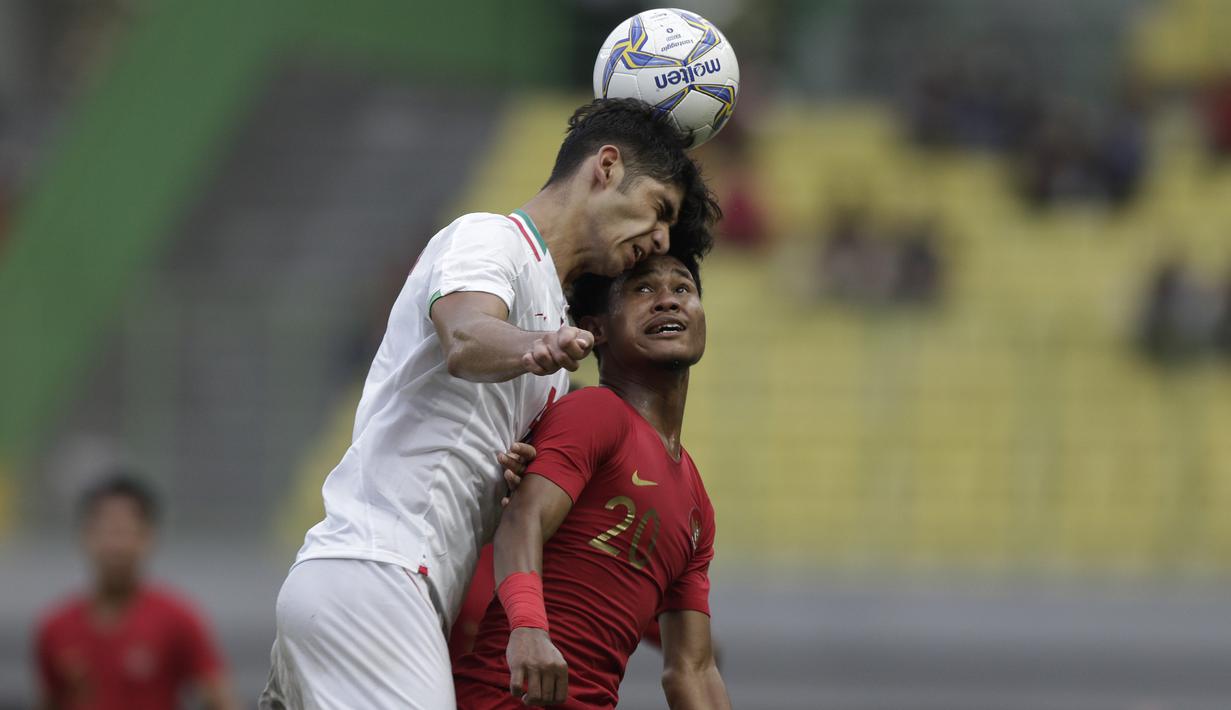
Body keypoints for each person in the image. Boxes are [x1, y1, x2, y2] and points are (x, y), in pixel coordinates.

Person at [261, 98, 719, 709]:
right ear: (606, 167)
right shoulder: (490, 240)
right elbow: (466, 336)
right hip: (378, 571)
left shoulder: (554, 341)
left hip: (386, 588)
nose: (661, 237)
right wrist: (537, 344)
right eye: (659, 210)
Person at [454, 252, 729, 709]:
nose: (668, 301)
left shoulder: (697, 501)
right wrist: (528, 629)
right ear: (596, 328)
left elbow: (694, 670)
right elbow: (522, 521)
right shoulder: (595, 413)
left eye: (683, 289)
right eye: (643, 290)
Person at [33, 474, 236, 710]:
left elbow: (221, 699)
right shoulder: (55, 627)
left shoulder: (177, 619)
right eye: (106, 530)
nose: (116, 545)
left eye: (125, 531)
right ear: (84, 535)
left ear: (148, 537)